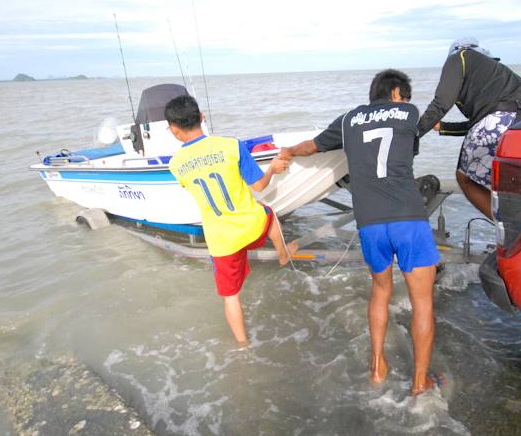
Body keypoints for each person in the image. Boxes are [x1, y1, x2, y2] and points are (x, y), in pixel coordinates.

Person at [279, 69, 441, 396]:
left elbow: (312, 147)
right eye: (404, 95)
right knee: (422, 303)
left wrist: (289, 151)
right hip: (408, 219)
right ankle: (420, 383)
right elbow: (409, 146)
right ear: (396, 93)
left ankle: (378, 365)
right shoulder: (409, 113)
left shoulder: (348, 119)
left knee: (380, 291)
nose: (407, 101)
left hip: (370, 223)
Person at [166, 94, 295, 344]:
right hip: (251, 225)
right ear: (202, 118)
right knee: (269, 213)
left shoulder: (176, 164)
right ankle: (282, 254)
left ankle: (243, 346)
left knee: (231, 296)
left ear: (174, 130)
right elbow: (258, 186)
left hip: (221, 240)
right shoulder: (231, 146)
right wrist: (272, 169)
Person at [417, 37, 521, 218]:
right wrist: (444, 127)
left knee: (465, 178)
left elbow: (441, 103)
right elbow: (490, 119)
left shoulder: (459, 57)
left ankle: (510, 232)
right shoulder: (495, 71)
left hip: (502, 121)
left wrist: (414, 134)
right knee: (516, 183)